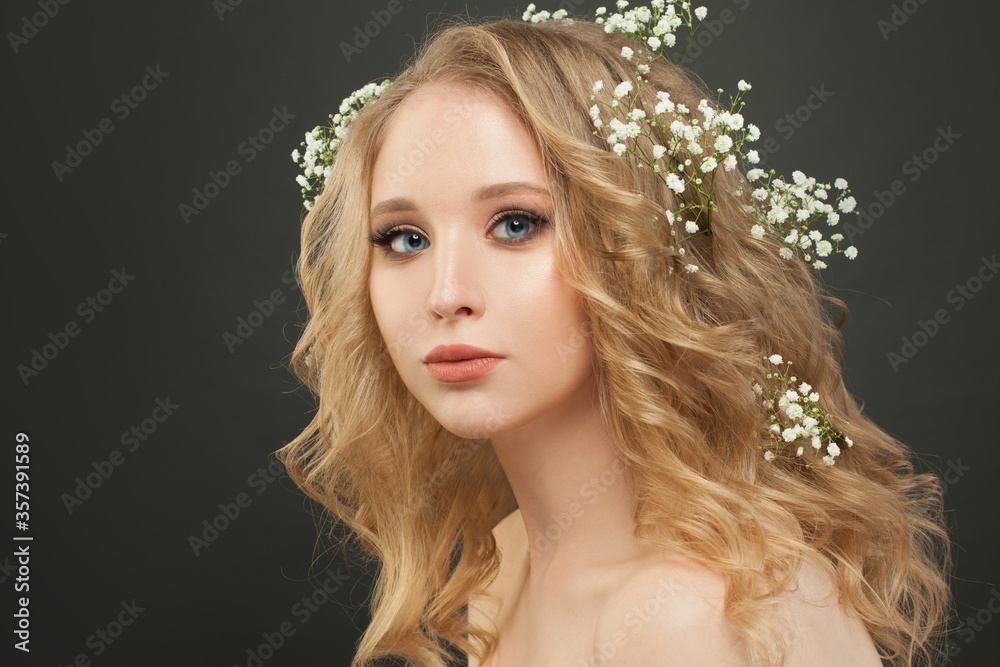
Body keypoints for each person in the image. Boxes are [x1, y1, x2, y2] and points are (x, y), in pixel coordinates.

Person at [279, 3, 952, 665]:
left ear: (641, 248)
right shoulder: (506, 566)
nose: (446, 293)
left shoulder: (676, 617)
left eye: (516, 223)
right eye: (404, 238)